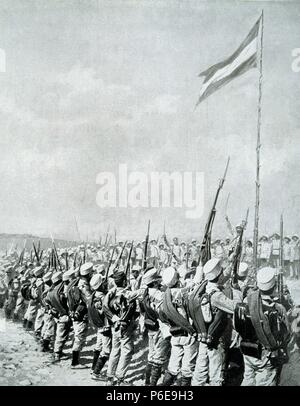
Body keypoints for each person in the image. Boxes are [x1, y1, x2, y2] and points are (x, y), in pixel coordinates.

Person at [189, 258, 241, 386]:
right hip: (216, 339)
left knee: (200, 372)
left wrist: (232, 260)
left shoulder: (202, 287)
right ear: (219, 274)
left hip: (203, 336)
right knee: (216, 374)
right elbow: (235, 307)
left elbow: (222, 278)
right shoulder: (216, 295)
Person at [236, 267, 291, 386]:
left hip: (248, 349)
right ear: (274, 286)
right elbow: (287, 333)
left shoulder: (247, 301)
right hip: (266, 354)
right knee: (266, 381)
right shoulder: (278, 308)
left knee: (248, 379)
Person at [160, 266, 198, 386]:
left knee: (173, 366)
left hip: (175, 333)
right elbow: (193, 286)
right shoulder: (180, 292)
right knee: (187, 369)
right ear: (176, 280)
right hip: (187, 333)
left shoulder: (164, 296)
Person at [103, 268, 139, 385]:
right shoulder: (127, 294)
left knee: (115, 350)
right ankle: (120, 378)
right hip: (125, 327)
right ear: (124, 281)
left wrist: (114, 319)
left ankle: (110, 377)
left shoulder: (110, 293)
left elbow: (105, 308)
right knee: (127, 351)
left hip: (115, 326)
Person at [139, 267, 171, 386]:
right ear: (155, 282)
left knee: (151, 356)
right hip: (160, 328)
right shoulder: (159, 295)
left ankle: (147, 382)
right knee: (158, 359)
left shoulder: (144, 293)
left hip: (150, 327)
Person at [67, 262, 93, 368]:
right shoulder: (84, 285)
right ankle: (75, 362)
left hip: (75, 313)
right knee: (79, 337)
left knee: (78, 335)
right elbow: (88, 299)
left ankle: (76, 358)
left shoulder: (76, 281)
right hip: (81, 314)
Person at [89, 273, 112, 380]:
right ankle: (96, 373)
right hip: (105, 326)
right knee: (106, 350)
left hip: (99, 326)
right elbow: (105, 311)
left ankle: (93, 368)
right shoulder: (101, 297)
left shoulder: (94, 294)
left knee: (98, 346)